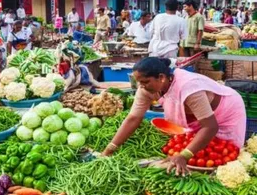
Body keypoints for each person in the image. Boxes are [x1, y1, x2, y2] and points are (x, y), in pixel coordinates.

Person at [102, 57, 246, 176]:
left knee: (225, 153)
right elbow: (133, 118)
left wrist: (184, 155)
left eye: (145, 81)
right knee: (200, 149)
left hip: (226, 110)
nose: (141, 86)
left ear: (162, 78)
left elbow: (210, 126)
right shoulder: (146, 89)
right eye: (139, 82)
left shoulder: (188, 87)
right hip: (198, 117)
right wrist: (110, 149)